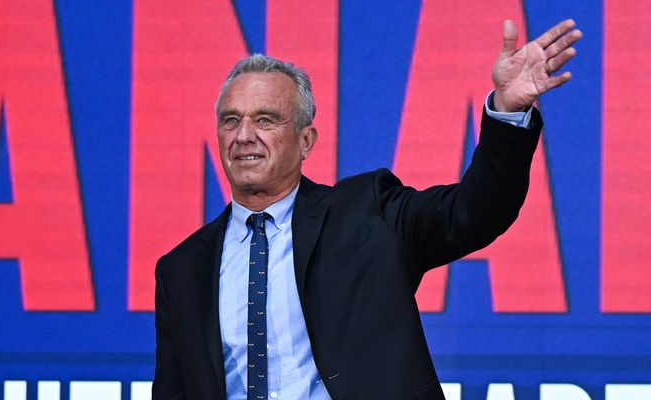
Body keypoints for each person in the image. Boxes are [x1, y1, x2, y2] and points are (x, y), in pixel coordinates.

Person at [152, 19, 582, 400]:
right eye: (230, 120)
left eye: (265, 120)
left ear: (305, 141)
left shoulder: (367, 213)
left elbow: (475, 212)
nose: (244, 135)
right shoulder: (183, 269)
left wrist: (507, 112)